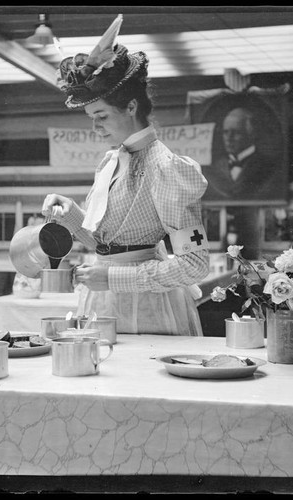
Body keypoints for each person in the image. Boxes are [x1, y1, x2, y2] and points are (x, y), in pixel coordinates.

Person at [42, 14, 210, 335]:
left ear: (131, 107)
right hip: (102, 299)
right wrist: (69, 214)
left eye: (101, 115)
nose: (95, 127)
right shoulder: (110, 162)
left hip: (148, 306)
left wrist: (113, 278)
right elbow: (106, 243)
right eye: (92, 117)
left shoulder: (166, 167)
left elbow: (195, 264)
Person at [203, 107, 285, 202]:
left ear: (251, 134)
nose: (229, 138)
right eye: (225, 132)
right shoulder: (216, 166)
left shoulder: (267, 165)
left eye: (236, 132)